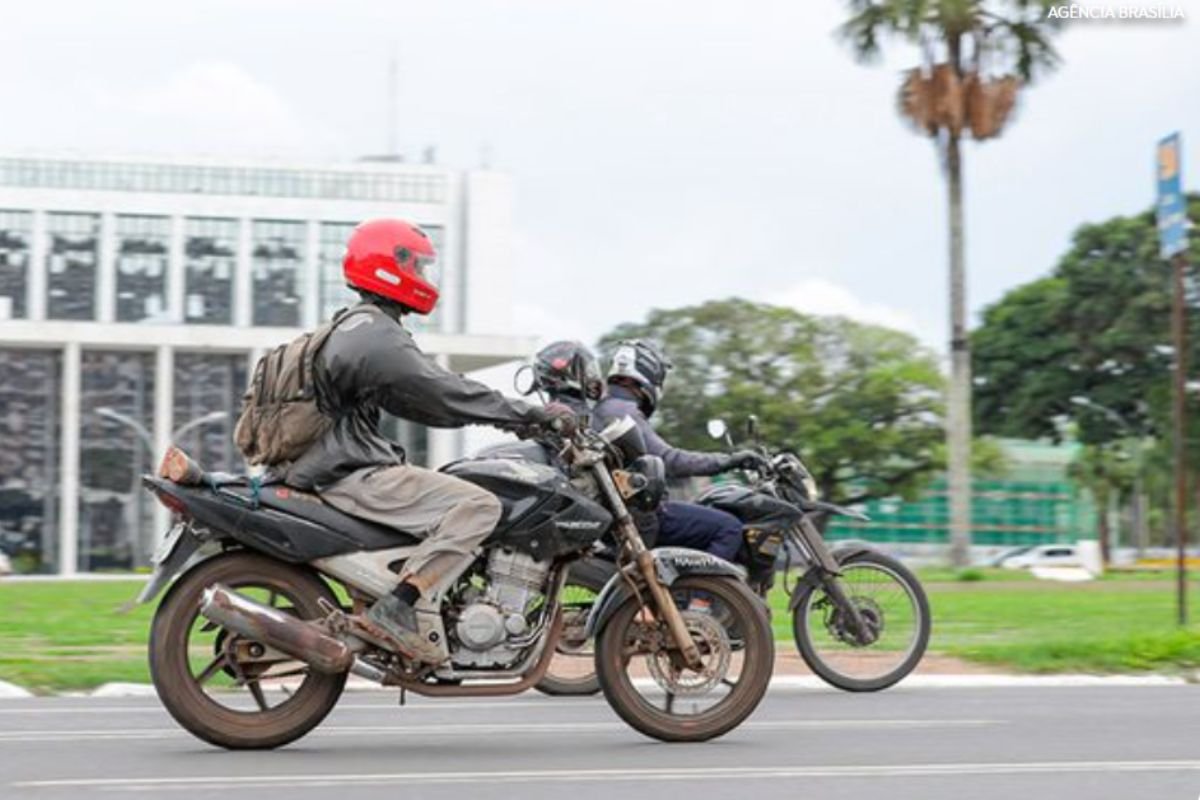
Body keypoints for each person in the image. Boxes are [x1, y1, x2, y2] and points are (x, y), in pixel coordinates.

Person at [282, 218, 574, 663]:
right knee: (478, 506)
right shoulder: (375, 334)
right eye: (416, 266)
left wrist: (499, 419)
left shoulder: (358, 329)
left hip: (334, 466)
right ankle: (399, 608)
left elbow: (422, 404)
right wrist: (528, 414)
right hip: (348, 474)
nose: (423, 277)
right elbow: (442, 390)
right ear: (388, 267)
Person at [591, 339, 765, 563]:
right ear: (650, 373)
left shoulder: (603, 408)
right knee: (729, 528)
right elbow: (670, 461)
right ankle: (704, 595)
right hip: (642, 517)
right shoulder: (623, 411)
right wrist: (730, 461)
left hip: (622, 515)